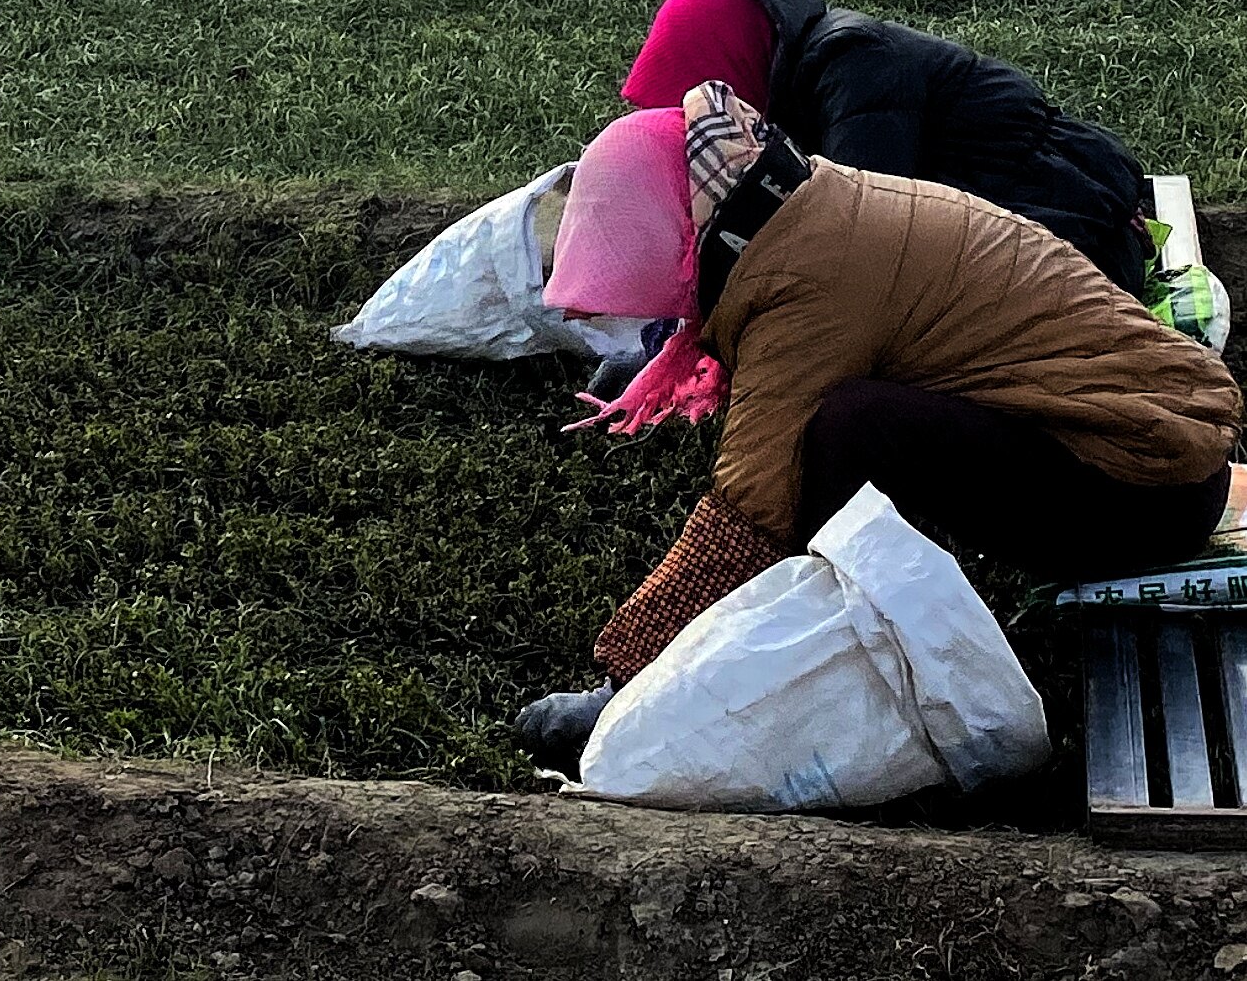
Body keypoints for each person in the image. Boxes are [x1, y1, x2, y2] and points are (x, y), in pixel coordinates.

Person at [511, 85, 1238, 774]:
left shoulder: (805, 279)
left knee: (841, 429)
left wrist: (624, 679)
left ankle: (824, 632)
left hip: (1140, 495)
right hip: (1160, 457)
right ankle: (845, 596)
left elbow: (752, 502)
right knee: (847, 420)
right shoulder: (816, 208)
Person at [623, 0, 1154, 292]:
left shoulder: (855, 66)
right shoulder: (809, 85)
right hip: (1042, 233)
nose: (701, 128)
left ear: (736, 60)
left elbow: (856, 238)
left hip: (1078, 252)